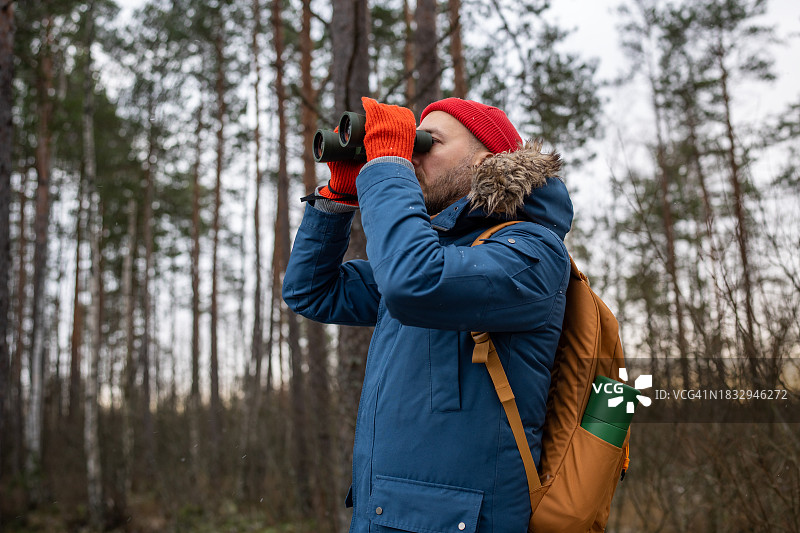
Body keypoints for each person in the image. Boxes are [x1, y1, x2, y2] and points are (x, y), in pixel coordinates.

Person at [283, 97, 573, 533]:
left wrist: (386, 166)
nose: (412, 154)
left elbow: (412, 282)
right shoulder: (436, 254)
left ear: (487, 160)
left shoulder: (532, 251)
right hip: (383, 516)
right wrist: (339, 198)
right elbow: (312, 291)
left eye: (427, 142)